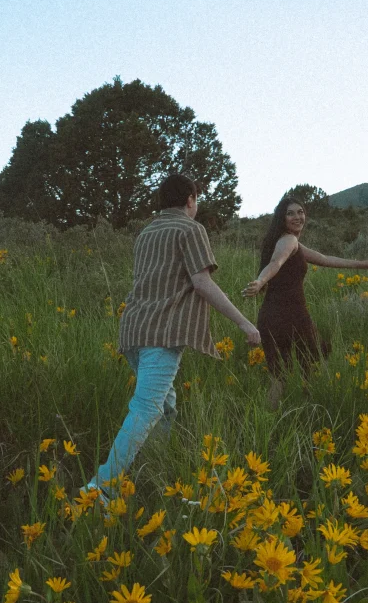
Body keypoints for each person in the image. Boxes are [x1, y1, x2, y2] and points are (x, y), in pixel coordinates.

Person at [87, 174, 260, 496]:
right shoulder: (190, 229)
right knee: (147, 408)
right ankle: (100, 490)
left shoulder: (147, 232)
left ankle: (156, 471)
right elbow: (203, 283)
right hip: (162, 334)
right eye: (196, 199)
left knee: (164, 407)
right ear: (191, 199)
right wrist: (245, 323)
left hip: (133, 329)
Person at [242, 195, 368, 409]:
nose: (297, 217)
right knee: (318, 362)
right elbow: (275, 263)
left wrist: (363, 264)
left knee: (280, 378)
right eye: (290, 213)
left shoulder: (289, 243)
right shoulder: (289, 240)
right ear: (282, 218)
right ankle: (319, 410)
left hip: (271, 317)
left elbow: (325, 259)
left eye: (300, 212)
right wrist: (260, 281)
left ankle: (266, 422)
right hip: (292, 318)